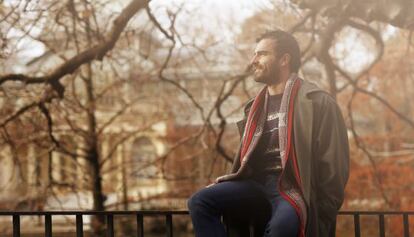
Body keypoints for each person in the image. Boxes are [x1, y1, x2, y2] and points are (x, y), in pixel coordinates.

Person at [187, 29, 350, 237]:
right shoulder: (252, 109)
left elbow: (335, 167)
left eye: (262, 54)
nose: (253, 60)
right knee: (199, 201)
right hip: (255, 184)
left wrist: (322, 214)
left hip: (292, 188)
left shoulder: (318, 102)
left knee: (281, 229)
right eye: (254, 54)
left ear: (284, 59)